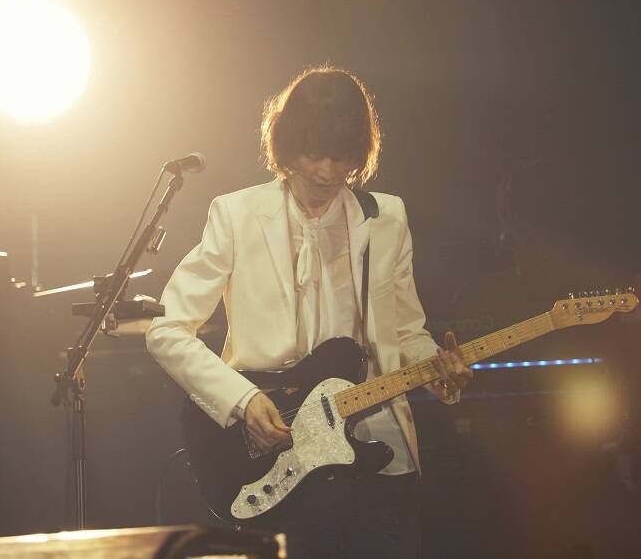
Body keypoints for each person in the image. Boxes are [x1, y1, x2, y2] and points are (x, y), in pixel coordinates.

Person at [146, 66, 473, 558]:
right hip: (281, 453)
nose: (326, 171)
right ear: (287, 146)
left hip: (377, 451)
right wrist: (242, 400)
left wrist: (437, 370)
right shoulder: (236, 214)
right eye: (313, 154)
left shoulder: (386, 218)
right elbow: (167, 328)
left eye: (341, 157)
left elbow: (406, 331)